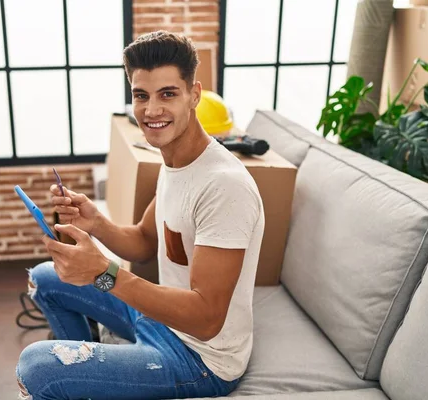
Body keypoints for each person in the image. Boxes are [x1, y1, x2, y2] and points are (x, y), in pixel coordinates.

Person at [16, 30, 265, 400]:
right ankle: (87, 381)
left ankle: (77, 378)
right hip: (160, 318)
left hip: (199, 358)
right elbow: (146, 242)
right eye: (141, 95)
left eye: (168, 94)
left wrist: (102, 273)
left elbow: (207, 319)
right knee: (45, 279)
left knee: (36, 368)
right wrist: (95, 223)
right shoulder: (176, 163)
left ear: (194, 94)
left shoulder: (223, 186)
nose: (151, 111)